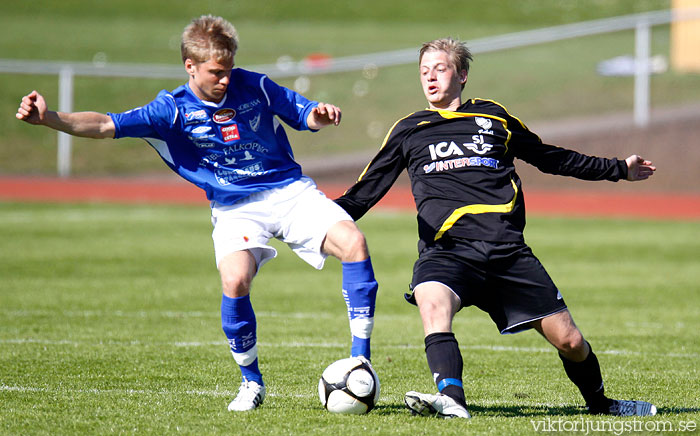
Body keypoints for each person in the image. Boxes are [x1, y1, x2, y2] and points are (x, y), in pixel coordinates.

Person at [16, 15, 378, 412]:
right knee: (235, 278)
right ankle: (250, 382)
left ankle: (360, 361)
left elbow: (302, 111)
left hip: (288, 191)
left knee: (354, 242)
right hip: (235, 208)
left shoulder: (253, 84)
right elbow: (105, 124)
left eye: (229, 69)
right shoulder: (170, 110)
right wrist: (48, 119)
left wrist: (318, 117)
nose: (225, 79)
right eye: (216, 72)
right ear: (190, 66)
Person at [335, 37, 657, 419]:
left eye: (440, 69)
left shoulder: (494, 118)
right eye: (424, 72)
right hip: (447, 251)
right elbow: (365, 191)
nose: (430, 78)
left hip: (507, 251)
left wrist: (618, 168)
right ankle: (453, 400)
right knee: (432, 302)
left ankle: (602, 404)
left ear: (463, 74)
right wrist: (307, 219)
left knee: (570, 341)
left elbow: (550, 157)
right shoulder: (410, 130)